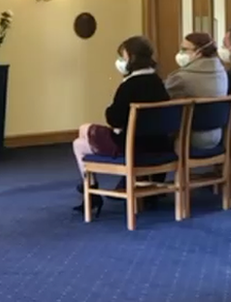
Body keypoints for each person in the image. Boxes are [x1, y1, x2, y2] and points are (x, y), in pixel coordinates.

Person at [72, 36, 171, 214]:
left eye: (122, 57)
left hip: (133, 145)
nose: (120, 61)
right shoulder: (158, 82)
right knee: (82, 136)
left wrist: (110, 111)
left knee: (80, 140)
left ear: (132, 58)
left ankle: (91, 192)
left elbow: (115, 119)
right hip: (159, 144)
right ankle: (92, 192)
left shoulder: (129, 85)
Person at [164, 32, 228, 149]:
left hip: (189, 137)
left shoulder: (181, 77)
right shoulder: (222, 72)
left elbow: (162, 97)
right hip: (217, 134)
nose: (180, 53)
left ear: (198, 52)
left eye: (184, 49)